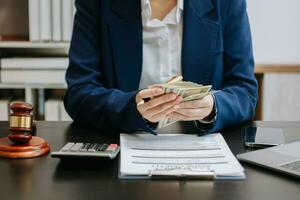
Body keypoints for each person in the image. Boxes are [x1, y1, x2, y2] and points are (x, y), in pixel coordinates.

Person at [64, 0, 258, 134]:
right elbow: (79, 93)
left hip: (204, 149)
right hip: (123, 147)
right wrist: (131, 108)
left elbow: (245, 92)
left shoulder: (225, 3)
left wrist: (213, 106)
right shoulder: (97, 4)